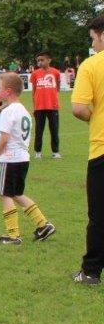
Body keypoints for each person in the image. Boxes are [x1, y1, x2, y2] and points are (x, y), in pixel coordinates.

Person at [0, 73, 56, 245]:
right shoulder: (23, 110)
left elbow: (4, 138)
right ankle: (44, 225)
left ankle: (13, 236)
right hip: (23, 158)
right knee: (16, 193)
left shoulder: (7, 112)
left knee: (5, 194)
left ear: (8, 91)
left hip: (10, 159)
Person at [72, 15, 104, 283]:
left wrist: (94, 118)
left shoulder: (91, 65)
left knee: (99, 215)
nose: (92, 44)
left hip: (101, 148)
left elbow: (79, 108)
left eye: (93, 38)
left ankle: (91, 272)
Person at [30, 51, 62, 159]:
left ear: (49, 60)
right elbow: (34, 91)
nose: (40, 62)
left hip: (53, 106)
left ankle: (55, 152)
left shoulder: (56, 72)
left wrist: (53, 98)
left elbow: (57, 88)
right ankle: (38, 152)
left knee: (54, 130)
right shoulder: (35, 74)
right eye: (38, 60)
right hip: (39, 107)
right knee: (39, 131)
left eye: (42, 60)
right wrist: (34, 106)